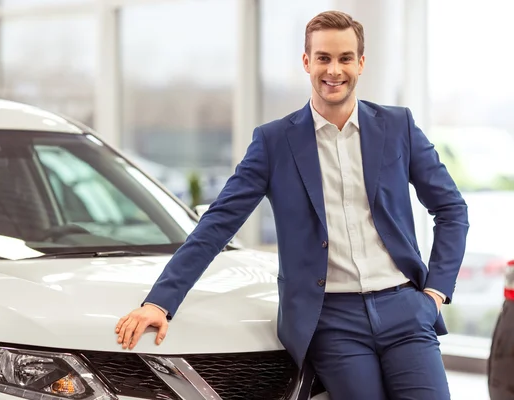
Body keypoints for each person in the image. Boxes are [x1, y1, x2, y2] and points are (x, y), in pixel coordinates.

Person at [116, 10, 469, 400]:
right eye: (323, 58)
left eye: (345, 58)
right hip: (333, 321)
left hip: (405, 308)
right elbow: (218, 224)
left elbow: (451, 209)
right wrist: (159, 302)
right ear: (306, 62)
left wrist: (434, 294)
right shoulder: (274, 142)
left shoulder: (398, 126)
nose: (334, 70)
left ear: (361, 63)